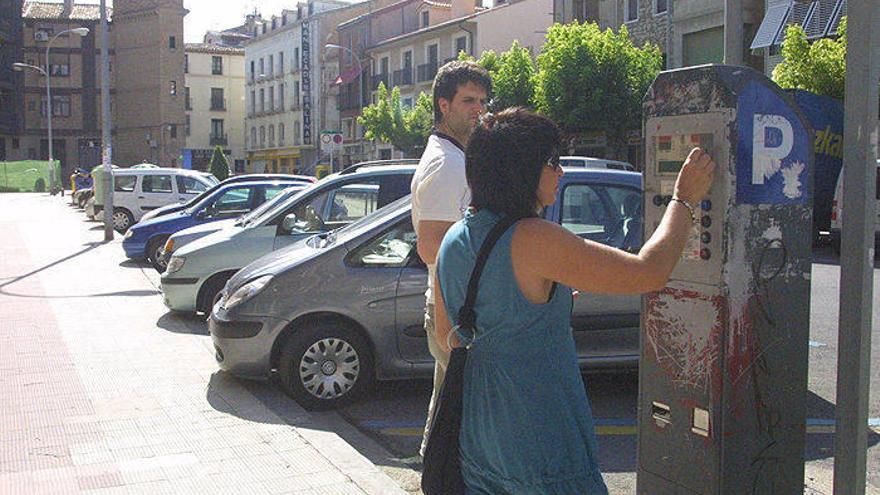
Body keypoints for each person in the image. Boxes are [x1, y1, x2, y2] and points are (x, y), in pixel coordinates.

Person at [434, 108, 715, 494]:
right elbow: (649, 272)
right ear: (520, 171)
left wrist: (532, 315)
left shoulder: (454, 238)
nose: (561, 171)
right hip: (537, 432)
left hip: (480, 432)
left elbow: (449, 335)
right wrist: (683, 200)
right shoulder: (534, 238)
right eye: (552, 161)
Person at [411, 60, 491, 457]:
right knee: (464, 416)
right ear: (444, 105)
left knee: (447, 410)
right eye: (468, 101)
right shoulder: (447, 164)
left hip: (453, 306)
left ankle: (435, 474)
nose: (479, 110)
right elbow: (431, 247)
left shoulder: (453, 157)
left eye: (483, 101)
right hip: (453, 309)